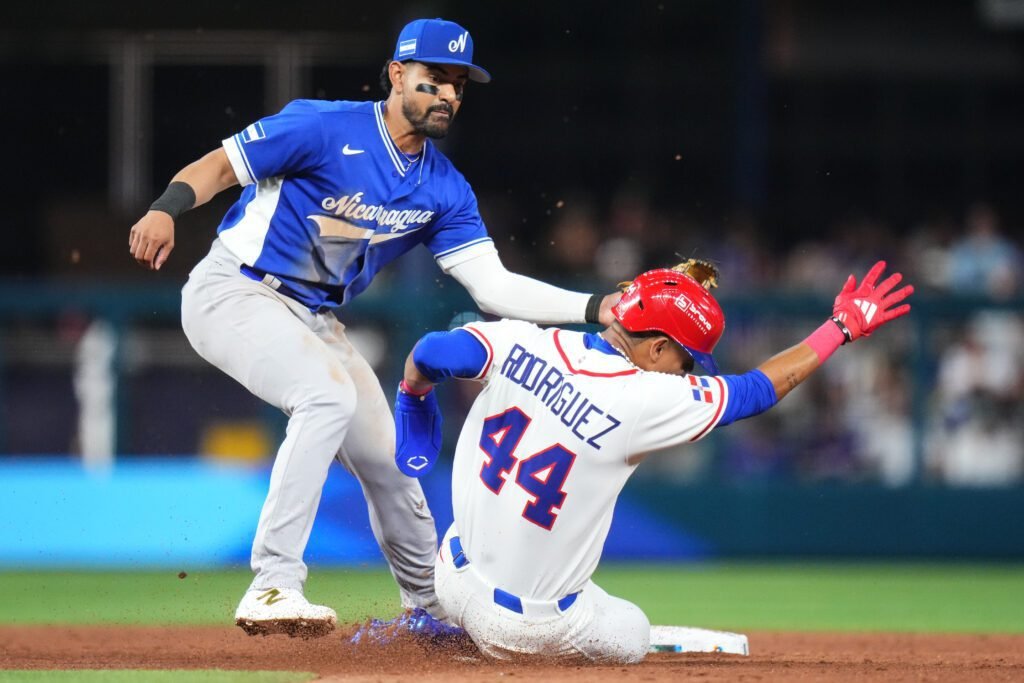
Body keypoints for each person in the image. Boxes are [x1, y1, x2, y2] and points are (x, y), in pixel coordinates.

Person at [127, 17, 619, 638]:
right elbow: (221, 167)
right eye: (434, 79)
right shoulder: (322, 126)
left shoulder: (444, 188)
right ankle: (273, 584)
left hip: (313, 317)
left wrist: (596, 307)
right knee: (324, 396)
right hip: (235, 289)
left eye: (458, 85)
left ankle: (432, 610)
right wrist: (166, 208)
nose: (447, 95)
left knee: (390, 461)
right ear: (396, 73)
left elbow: (493, 288)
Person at [387, 259, 913, 662]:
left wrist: (413, 395)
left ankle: (438, 623)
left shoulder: (525, 339)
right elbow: (759, 390)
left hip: (451, 576)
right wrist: (838, 328)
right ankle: (490, 649)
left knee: (558, 579)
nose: (687, 372)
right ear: (658, 348)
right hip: (522, 631)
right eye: (686, 359)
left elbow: (436, 349)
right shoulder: (644, 399)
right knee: (631, 631)